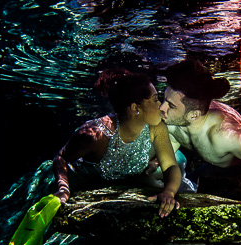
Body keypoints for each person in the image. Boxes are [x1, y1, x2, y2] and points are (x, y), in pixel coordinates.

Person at [53, 68, 182, 217]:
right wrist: (63, 188)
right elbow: (61, 158)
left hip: (123, 186)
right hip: (81, 186)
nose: (160, 105)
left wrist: (169, 192)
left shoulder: (156, 128)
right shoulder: (95, 134)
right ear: (135, 108)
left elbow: (171, 166)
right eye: (155, 99)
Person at [159, 60, 241, 170]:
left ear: (194, 115)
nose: (161, 108)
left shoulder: (227, 135)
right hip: (212, 164)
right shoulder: (172, 120)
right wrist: (157, 161)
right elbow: (174, 140)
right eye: (164, 99)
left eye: (171, 105)